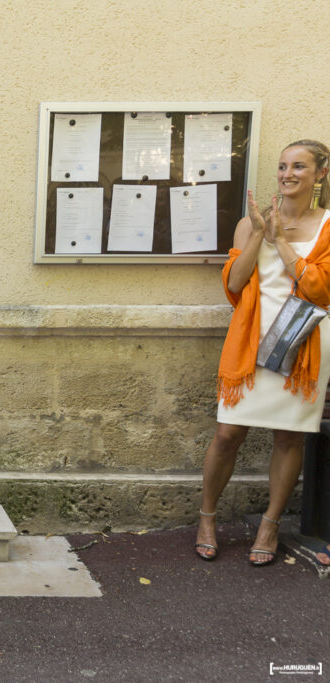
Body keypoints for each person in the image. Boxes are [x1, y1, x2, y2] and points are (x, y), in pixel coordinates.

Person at [196, 139, 330, 566]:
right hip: (251, 337)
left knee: (289, 436)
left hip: (303, 342)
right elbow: (234, 284)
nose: (288, 174)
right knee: (227, 433)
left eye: (299, 167)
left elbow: (320, 289)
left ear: (321, 174)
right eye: (283, 166)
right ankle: (206, 519)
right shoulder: (250, 222)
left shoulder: (328, 225)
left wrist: (282, 243)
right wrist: (258, 233)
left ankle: (270, 526)